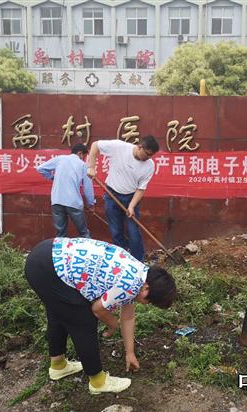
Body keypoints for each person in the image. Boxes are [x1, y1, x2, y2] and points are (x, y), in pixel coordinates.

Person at [24, 237, 176, 395]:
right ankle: (98, 382)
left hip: (46, 255)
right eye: (149, 301)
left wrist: (130, 353)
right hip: (48, 267)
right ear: (146, 289)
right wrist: (112, 324)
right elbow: (97, 309)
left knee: (61, 312)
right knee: (83, 320)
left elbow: (128, 317)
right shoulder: (130, 284)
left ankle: (58, 365)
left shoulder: (139, 274)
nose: (146, 304)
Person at [86, 136, 159, 262]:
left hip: (131, 198)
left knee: (133, 231)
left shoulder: (149, 166)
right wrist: (91, 167)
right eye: (147, 154)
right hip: (111, 195)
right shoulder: (119, 147)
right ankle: (121, 261)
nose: (148, 158)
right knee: (116, 231)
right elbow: (95, 145)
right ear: (139, 147)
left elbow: (141, 189)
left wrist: (131, 206)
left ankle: (138, 262)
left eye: (151, 156)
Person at [36, 143, 95, 238]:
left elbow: (40, 168)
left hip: (57, 201)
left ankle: (60, 248)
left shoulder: (59, 159)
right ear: (80, 153)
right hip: (73, 202)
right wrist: (91, 204)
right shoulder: (83, 165)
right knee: (83, 233)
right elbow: (87, 187)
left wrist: (52, 177)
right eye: (84, 156)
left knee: (60, 234)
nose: (84, 159)